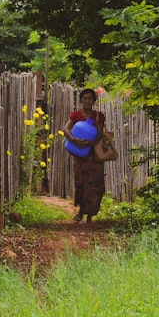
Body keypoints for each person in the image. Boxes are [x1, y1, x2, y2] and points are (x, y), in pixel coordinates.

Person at [63, 88, 106, 223]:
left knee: (94, 184)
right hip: (80, 156)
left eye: (90, 98)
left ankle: (90, 215)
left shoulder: (99, 116)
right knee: (81, 183)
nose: (87, 101)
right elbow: (66, 129)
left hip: (94, 157)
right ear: (81, 100)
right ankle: (81, 211)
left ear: (94, 100)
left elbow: (99, 133)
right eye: (85, 98)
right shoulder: (76, 115)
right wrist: (74, 140)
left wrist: (91, 143)